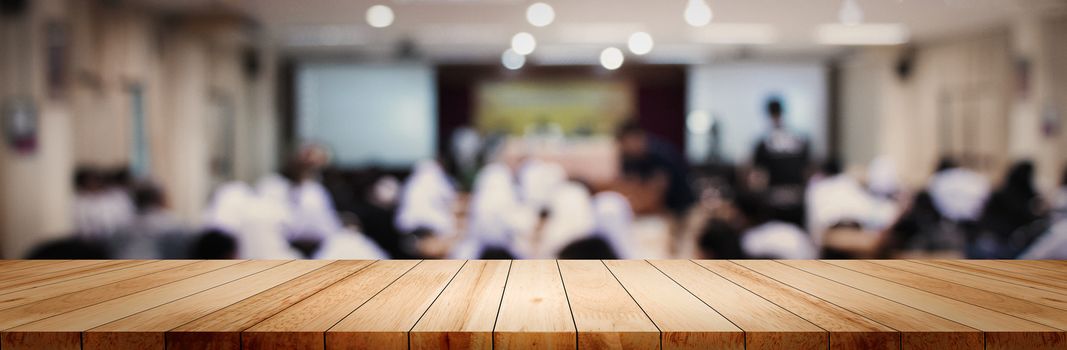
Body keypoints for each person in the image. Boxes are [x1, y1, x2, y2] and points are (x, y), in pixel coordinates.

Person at [616, 119, 695, 216]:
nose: (623, 147)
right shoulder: (629, 158)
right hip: (661, 210)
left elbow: (657, 195)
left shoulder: (660, 155)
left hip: (681, 208)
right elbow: (630, 186)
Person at [752, 98, 810, 227]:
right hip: (797, 198)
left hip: (773, 201)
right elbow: (807, 171)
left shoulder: (764, 142)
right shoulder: (800, 139)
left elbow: (758, 177)